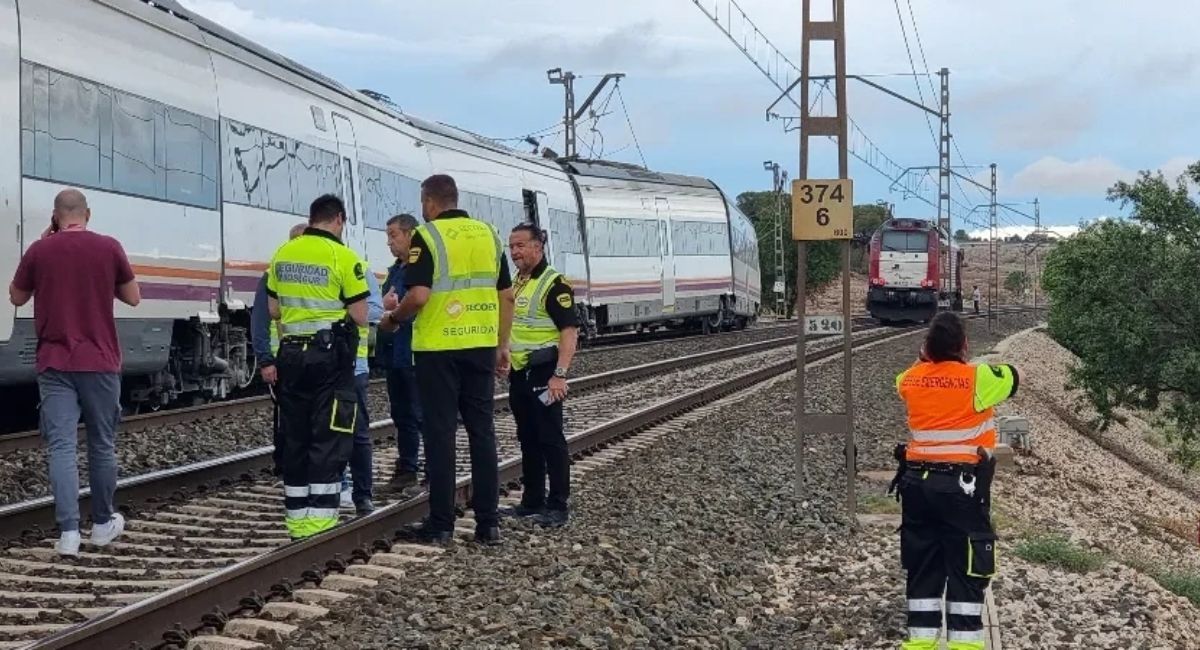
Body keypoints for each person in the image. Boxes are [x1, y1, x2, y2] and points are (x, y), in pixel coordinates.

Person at [379, 174, 514, 545]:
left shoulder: (428, 235)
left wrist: (393, 319)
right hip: (481, 346)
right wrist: (502, 343)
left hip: (438, 348)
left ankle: (441, 525)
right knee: (482, 432)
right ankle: (488, 524)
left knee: (440, 435)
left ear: (429, 202)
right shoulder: (489, 233)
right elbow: (507, 295)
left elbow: (419, 295)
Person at [8, 188, 140, 556]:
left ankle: (68, 535)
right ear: (88, 213)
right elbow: (133, 297)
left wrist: (46, 251)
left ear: (55, 215)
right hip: (99, 362)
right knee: (101, 443)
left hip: (54, 363)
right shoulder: (109, 247)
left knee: (62, 447)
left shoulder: (39, 251)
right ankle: (101, 524)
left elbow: (16, 297)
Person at [890, 312, 1018, 650]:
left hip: (917, 485)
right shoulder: (977, 378)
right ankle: (964, 645)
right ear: (963, 345)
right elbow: (1015, 378)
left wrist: (923, 360)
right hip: (961, 489)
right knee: (967, 568)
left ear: (927, 347)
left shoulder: (912, 379)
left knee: (922, 566)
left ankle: (920, 644)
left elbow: (900, 379)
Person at [267, 194, 369, 540]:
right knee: (329, 435)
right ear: (338, 219)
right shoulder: (343, 256)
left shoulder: (283, 252)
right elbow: (359, 315)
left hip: (291, 354)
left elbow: (274, 310)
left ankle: (296, 521)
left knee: (296, 436)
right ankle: (321, 523)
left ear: (311, 219)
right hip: (329, 358)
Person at [500, 223, 578, 528]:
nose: (515, 252)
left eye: (521, 245)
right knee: (528, 438)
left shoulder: (553, 284)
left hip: (545, 372)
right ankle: (531, 500)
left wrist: (560, 374)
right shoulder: (518, 282)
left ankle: (557, 505)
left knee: (550, 437)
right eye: (512, 247)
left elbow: (569, 333)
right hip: (520, 372)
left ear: (538, 246)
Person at [252, 223, 308, 475]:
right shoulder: (274, 272)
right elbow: (261, 319)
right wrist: (265, 359)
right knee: (287, 418)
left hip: (304, 356)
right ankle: (285, 467)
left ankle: (293, 466)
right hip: (283, 357)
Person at [378, 213, 423, 489]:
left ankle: (432, 471)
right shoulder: (396, 269)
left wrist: (395, 309)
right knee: (402, 413)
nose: (389, 242)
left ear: (410, 234)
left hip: (416, 351)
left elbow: (420, 302)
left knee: (421, 414)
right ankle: (407, 468)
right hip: (396, 353)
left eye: (393, 235)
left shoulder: (420, 268)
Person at [340, 269, 384, 515]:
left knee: (357, 433)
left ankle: (362, 494)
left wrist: (343, 311)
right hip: (319, 367)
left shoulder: (355, 267)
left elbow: (376, 310)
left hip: (354, 367)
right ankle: (334, 488)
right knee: (325, 433)